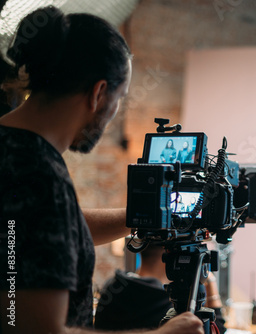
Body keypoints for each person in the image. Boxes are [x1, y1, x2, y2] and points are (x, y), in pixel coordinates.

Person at [0, 6, 203, 334]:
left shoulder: (16, 151)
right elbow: (34, 329)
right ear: (98, 93)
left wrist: (141, 215)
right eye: (119, 97)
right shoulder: (40, 176)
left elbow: (43, 232)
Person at [94, 244, 226, 333]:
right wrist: (209, 280)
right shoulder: (160, 298)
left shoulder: (114, 284)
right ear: (169, 257)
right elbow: (216, 329)